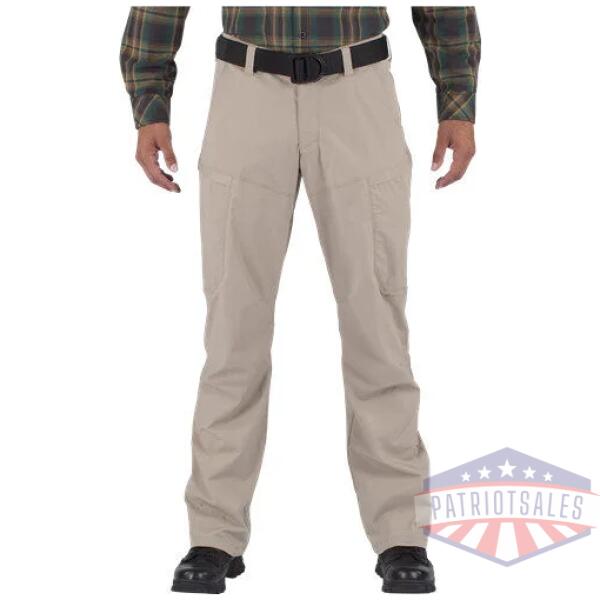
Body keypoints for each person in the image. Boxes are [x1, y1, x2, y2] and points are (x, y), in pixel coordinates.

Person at [120, 6, 480, 594]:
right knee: (233, 327)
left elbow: (444, 7)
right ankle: (213, 534)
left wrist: (457, 105)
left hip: (358, 93)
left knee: (377, 323)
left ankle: (400, 533)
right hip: (246, 94)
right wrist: (149, 104)